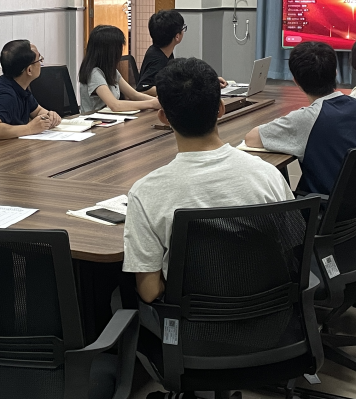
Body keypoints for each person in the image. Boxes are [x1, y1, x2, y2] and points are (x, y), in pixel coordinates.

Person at [122, 57, 295, 304]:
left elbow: (150, 292)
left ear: (163, 117)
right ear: (221, 108)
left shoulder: (145, 193)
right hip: (271, 316)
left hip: (194, 325)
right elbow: (291, 251)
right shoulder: (268, 175)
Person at [244, 41, 356, 195]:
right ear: (335, 73)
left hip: (319, 205)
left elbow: (251, 138)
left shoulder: (307, 119)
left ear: (296, 82)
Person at [0, 40, 61, 143]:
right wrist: (29, 128)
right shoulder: (6, 95)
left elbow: (37, 111)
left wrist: (50, 116)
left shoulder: (19, 87)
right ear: (29, 70)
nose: (41, 63)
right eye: (39, 60)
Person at [134, 10, 226, 96]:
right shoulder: (158, 59)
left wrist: (208, 82)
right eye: (183, 28)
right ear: (177, 36)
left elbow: (177, 79)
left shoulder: (164, 52)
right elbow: (143, 88)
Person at [78, 25, 159, 114]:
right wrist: (152, 104)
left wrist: (159, 102)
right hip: (95, 120)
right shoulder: (94, 73)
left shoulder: (111, 71)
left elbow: (134, 95)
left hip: (109, 118)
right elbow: (115, 105)